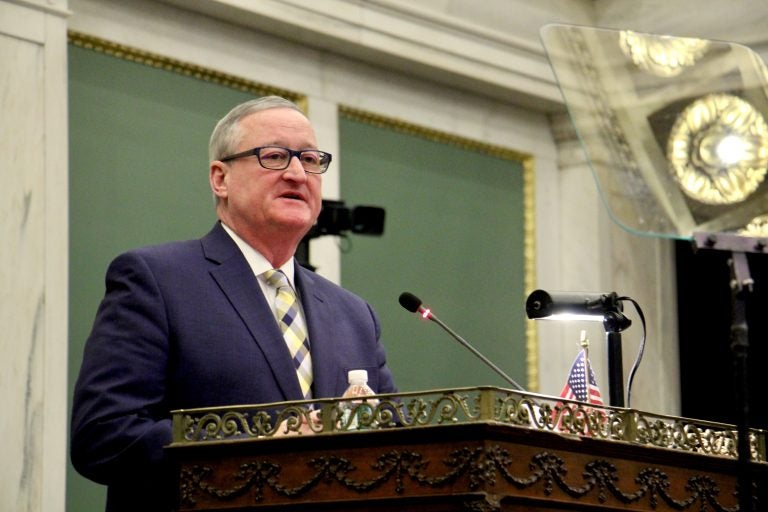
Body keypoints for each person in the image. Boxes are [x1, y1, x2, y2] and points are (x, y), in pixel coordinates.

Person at [70, 95, 398, 511]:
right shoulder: (156, 279)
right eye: (275, 156)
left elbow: (396, 452)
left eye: (311, 160)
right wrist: (256, 445)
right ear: (220, 178)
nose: (298, 173)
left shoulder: (354, 315)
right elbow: (103, 437)